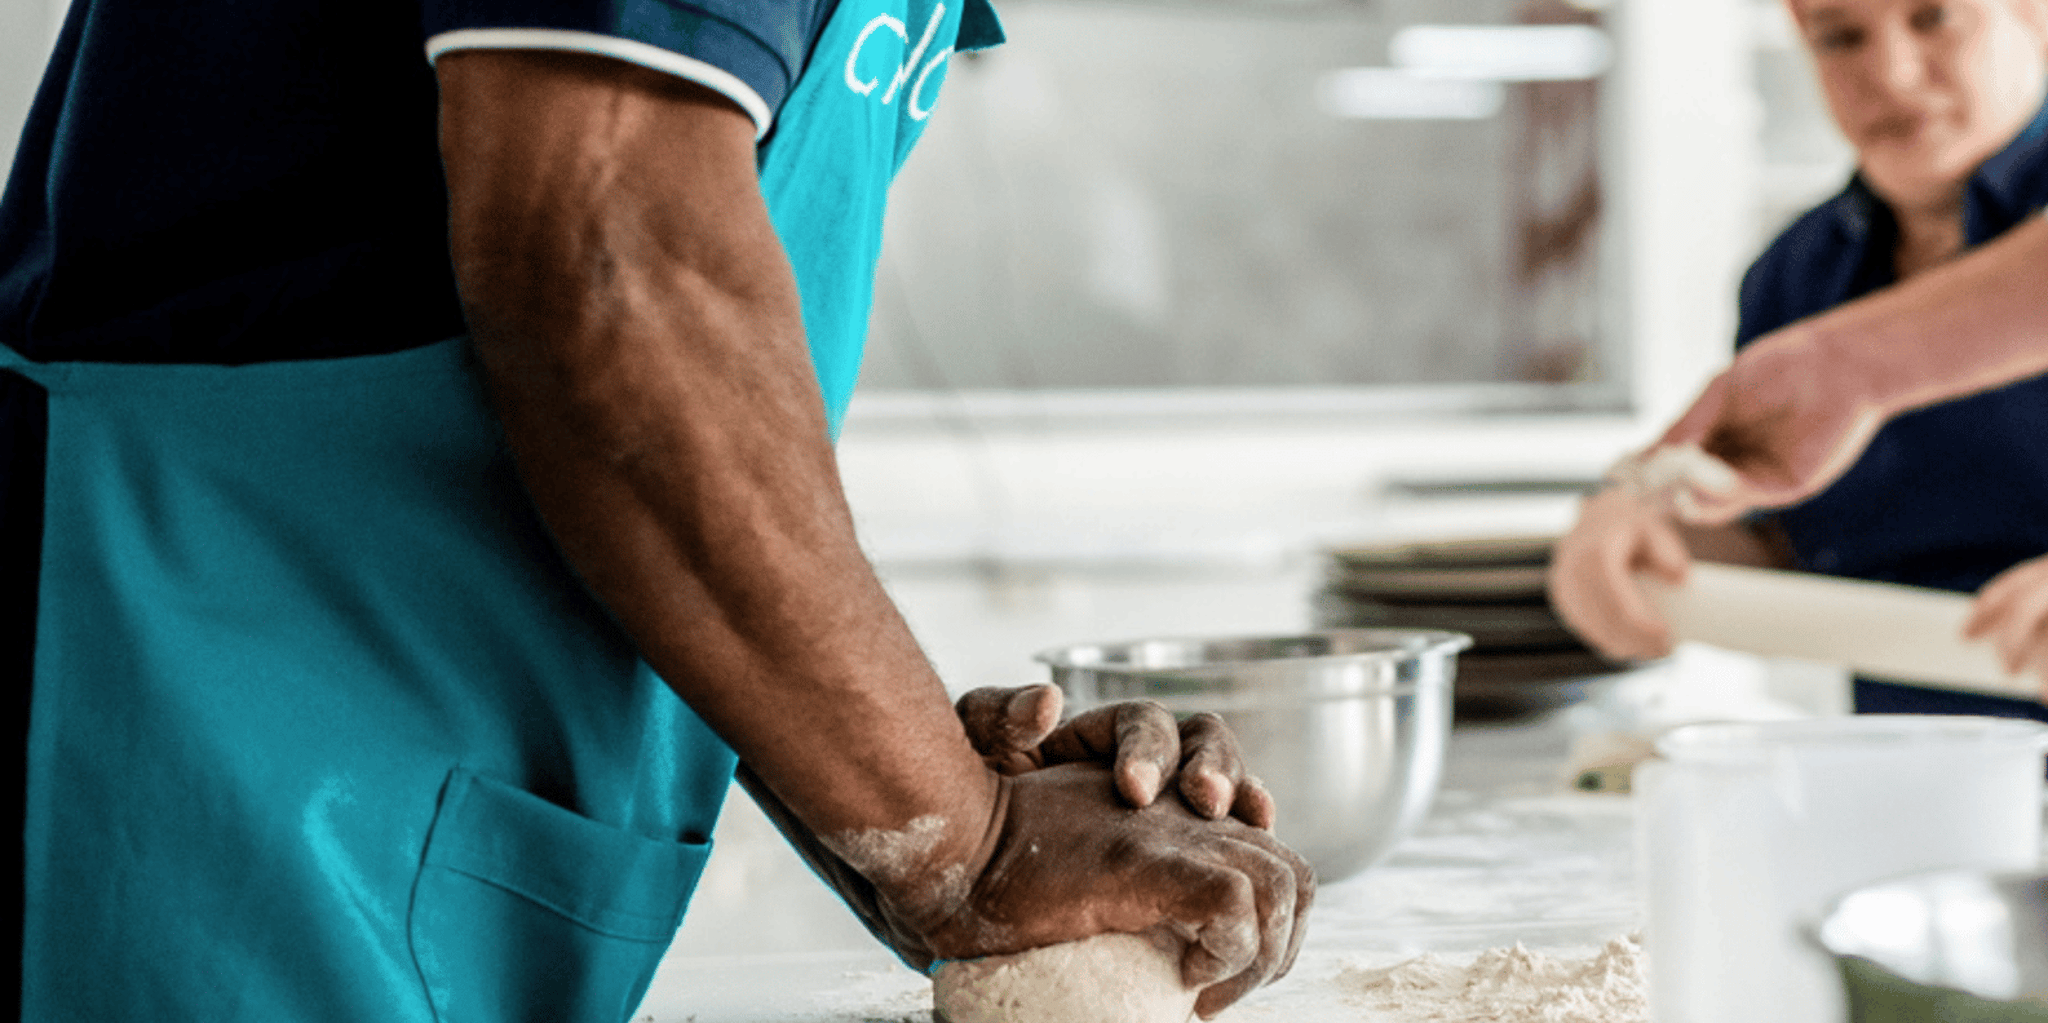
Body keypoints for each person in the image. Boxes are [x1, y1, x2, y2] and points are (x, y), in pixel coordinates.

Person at [0, 2, 1313, 1020]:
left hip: (406, 800)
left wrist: (930, 767)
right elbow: (607, 265)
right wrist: (963, 843)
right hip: (199, 753)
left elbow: (669, 417)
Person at [1549, 0, 2048, 711]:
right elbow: (1788, 541)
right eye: (1840, 37)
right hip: (1905, 761)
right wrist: (1650, 531)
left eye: (1935, 17)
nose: (1892, 74)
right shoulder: (1793, 277)